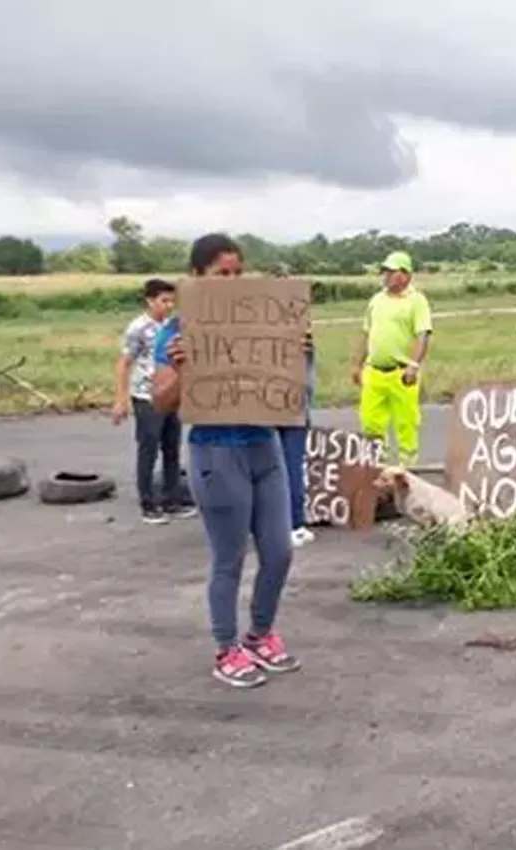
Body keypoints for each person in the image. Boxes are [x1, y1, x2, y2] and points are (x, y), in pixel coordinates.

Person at [152, 233, 299, 689]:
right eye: (221, 275)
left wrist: (298, 353)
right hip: (216, 451)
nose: (232, 282)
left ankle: (259, 634)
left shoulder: (260, 322)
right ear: (197, 278)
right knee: (229, 558)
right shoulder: (175, 333)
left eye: (238, 273)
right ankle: (225, 648)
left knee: (279, 550)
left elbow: (289, 385)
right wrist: (184, 370)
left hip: (264, 444)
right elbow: (161, 403)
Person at [112, 277, 191, 524]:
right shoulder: (138, 328)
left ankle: (172, 499)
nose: (168, 306)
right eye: (163, 301)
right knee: (149, 449)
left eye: (171, 301)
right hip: (146, 396)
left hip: (169, 394)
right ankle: (148, 503)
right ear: (150, 301)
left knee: (171, 448)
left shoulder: (173, 327)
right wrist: (121, 399)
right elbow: (124, 363)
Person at [352, 250, 433, 466]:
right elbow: (367, 333)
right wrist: (357, 365)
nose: (386, 276)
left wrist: (414, 365)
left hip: (401, 372)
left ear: (406, 275)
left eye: (392, 271)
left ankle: (408, 469)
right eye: (385, 271)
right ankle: (378, 466)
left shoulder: (416, 301)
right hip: (375, 370)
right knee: (370, 422)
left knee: (406, 422)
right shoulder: (376, 300)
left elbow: (422, 335)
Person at [280, 330, 316, 547]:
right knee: (292, 465)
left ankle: (268, 523)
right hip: (294, 409)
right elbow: (308, 379)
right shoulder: (302, 337)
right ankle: (294, 523)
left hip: (261, 409)